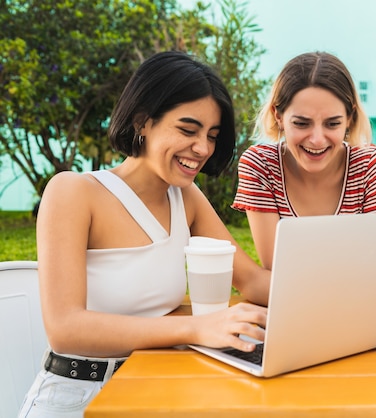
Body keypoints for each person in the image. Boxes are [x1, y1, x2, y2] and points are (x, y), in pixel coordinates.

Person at [19, 51, 269, 417]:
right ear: (143, 122)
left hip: (152, 388)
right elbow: (66, 328)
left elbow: (251, 281)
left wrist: (340, 300)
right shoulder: (73, 192)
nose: (202, 148)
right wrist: (195, 329)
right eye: (187, 130)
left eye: (212, 136)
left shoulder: (186, 196)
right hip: (78, 396)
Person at [232, 51, 376, 301]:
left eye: (332, 124)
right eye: (302, 124)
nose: (317, 139)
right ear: (278, 116)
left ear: (350, 118)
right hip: (294, 312)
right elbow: (276, 270)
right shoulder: (260, 164)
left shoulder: (370, 164)